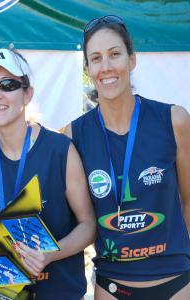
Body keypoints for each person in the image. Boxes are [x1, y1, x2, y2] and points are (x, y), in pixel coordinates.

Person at [64, 15, 190, 299]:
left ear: (131, 60)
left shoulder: (174, 120)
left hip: (176, 283)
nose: (106, 67)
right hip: (112, 285)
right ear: (87, 68)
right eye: (96, 58)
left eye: (115, 54)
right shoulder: (73, 135)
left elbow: (189, 198)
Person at [0, 48, 96, 299]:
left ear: (27, 94)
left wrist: (49, 255)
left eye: (8, 84)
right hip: (3, 292)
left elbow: (89, 225)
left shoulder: (60, 149)